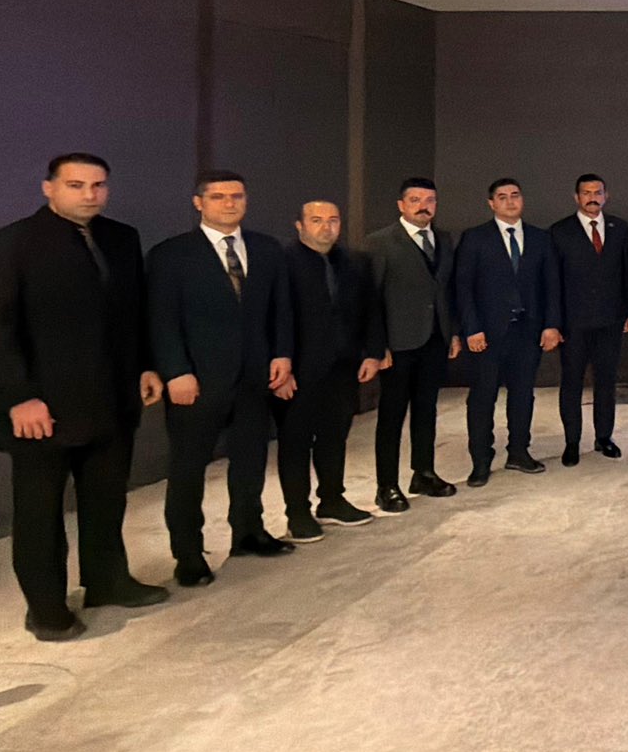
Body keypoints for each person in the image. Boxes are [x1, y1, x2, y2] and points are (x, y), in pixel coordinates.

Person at [0, 154, 167, 640]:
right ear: (49, 188)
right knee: (40, 513)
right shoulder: (7, 245)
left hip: (113, 400)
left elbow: (133, 312)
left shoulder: (121, 238)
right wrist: (18, 397)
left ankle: (107, 582)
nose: (89, 194)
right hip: (41, 410)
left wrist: (146, 365)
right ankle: (45, 608)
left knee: (106, 501)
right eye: (76, 185)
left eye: (98, 185)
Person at [147, 170, 297, 585]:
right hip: (196, 381)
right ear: (199, 203)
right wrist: (176, 371)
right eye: (218, 197)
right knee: (188, 469)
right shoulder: (171, 254)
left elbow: (281, 308)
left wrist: (282, 354)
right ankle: (188, 554)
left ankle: (248, 532)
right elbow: (160, 319)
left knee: (250, 461)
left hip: (254, 377)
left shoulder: (266, 248)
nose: (229, 204)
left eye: (237, 196)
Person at [279, 200, 386, 541]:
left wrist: (373, 353)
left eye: (333, 220)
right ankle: (297, 512)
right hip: (298, 370)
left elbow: (371, 309)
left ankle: (332, 500)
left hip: (344, 366)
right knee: (295, 442)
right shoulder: (281, 262)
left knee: (335, 437)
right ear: (299, 225)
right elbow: (273, 317)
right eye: (317, 220)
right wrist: (281, 367)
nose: (326, 227)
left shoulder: (356, 261)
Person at [453, 177, 563, 481]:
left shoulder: (541, 238)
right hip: (486, 335)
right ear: (491, 203)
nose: (510, 201)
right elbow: (463, 288)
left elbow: (552, 286)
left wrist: (551, 325)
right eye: (502, 197)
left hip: (528, 332)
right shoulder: (475, 238)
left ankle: (519, 451)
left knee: (523, 395)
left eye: (515, 195)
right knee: (482, 397)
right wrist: (471, 328)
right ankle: (481, 459)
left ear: (522, 200)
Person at [364, 177, 460, 514]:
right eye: (416, 200)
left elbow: (447, 291)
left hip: (434, 339)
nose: (424, 206)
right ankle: (386, 485)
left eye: (430, 200)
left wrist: (453, 332)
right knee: (391, 415)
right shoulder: (380, 242)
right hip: (398, 344)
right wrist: (377, 347)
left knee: (426, 410)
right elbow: (371, 298)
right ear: (401, 205)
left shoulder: (443, 238)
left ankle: (423, 473)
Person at [546, 174, 628, 464]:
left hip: (610, 321)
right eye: (586, 193)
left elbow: (627, 273)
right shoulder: (559, 231)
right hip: (573, 324)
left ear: (606, 196)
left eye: (597, 192)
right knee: (571, 382)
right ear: (576, 197)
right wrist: (554, 322)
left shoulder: (620, 228)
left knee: (606, 382)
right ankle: (572, 442)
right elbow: (552, 282)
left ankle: (604, 437)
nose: (592, 198)